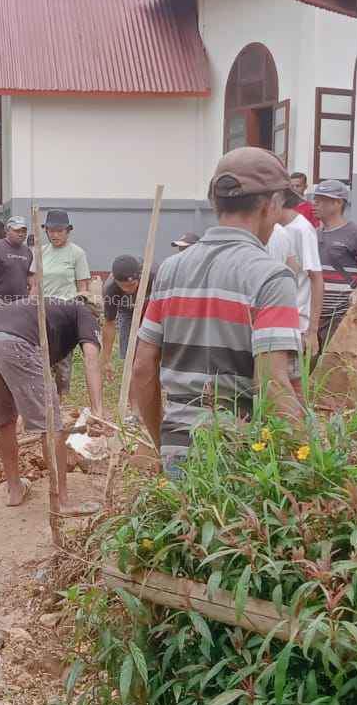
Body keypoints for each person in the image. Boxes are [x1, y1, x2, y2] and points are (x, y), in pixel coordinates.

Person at [132, 148, 304, 473]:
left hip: (176, 448)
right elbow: (271, 384)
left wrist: (164, 442)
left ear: (215, 202)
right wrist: (315, 460)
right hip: (238, 456)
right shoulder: (271, 276)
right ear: (272, 204)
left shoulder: (170, 269)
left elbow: (142, 368)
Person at [0, 297, 103, 509]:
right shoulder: (85, 313)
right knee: (51, 426)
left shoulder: (50, 310)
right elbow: (91, 360)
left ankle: (15, 490)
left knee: (4, 421)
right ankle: (61, 501)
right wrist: (97, 411)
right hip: (17, 343)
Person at [307, 181, 357, 350]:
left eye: (321, 200)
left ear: (338, 203)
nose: (315, 204)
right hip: (316, 315)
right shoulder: (313, 234)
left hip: (342, 315)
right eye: (315, 199)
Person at [266, 189, 322, 354]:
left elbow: (316, 278)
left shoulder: (302, 230)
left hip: (297, 324)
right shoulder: (273, 229)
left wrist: (312, 331)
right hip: (274, 321)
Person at [101, 254, 148, 361]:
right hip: (126, 308)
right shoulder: (110, 289)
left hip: (150, 305)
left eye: (132, 284)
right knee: (128, 348)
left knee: (149, 346)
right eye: (125, 286)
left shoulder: (152, 276)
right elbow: (109, 323)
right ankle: (129, 366)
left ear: (140, 276)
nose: (129, 289)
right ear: (115, 279)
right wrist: (106, 357)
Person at [0, 216, 35, 305]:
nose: (21, 234)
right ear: (7, 230)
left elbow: (30, 275)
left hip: (20, 303)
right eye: (17, 231)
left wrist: (33, 293)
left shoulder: (27, 251)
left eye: (23, 231)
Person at [37, 209, 90, 300]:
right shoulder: (41, 251)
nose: (55, 235)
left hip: (67, 307)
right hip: (44, 306)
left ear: (67, 232)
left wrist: (80, 307)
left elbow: (82, 287)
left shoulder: (77, 253)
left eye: (60, 231)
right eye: (51, 231)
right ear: (46, 231)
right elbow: (35, 285)